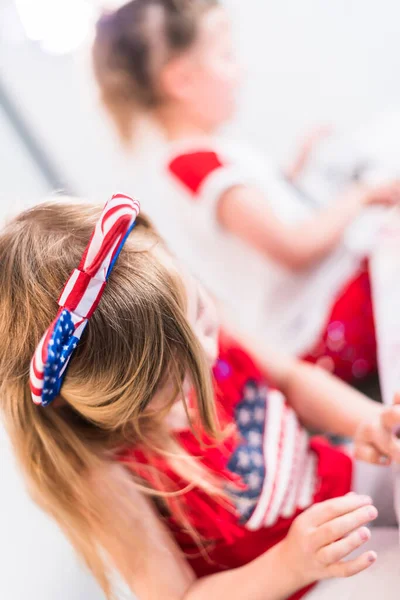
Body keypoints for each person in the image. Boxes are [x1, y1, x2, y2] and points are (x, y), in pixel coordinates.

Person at [2, 194, 400, 600]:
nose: (209, 353)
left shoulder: (184, 317)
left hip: (345, 487)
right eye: (174, 382)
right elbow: (178, 596)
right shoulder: (103, 472)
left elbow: (292, 380)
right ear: (119, 405)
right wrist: (292, 561)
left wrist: (367, 421)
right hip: (298, 583)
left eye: (204, 321)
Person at [92, 0, 400, 384]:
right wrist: (361, 195)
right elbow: (293, 248)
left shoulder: (203, 156)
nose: (241, 71)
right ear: (182, 80)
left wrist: (293, 172)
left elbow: (263, 213)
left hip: (328, 309)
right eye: (226, 57)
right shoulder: (196, 167)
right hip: (323, 327)